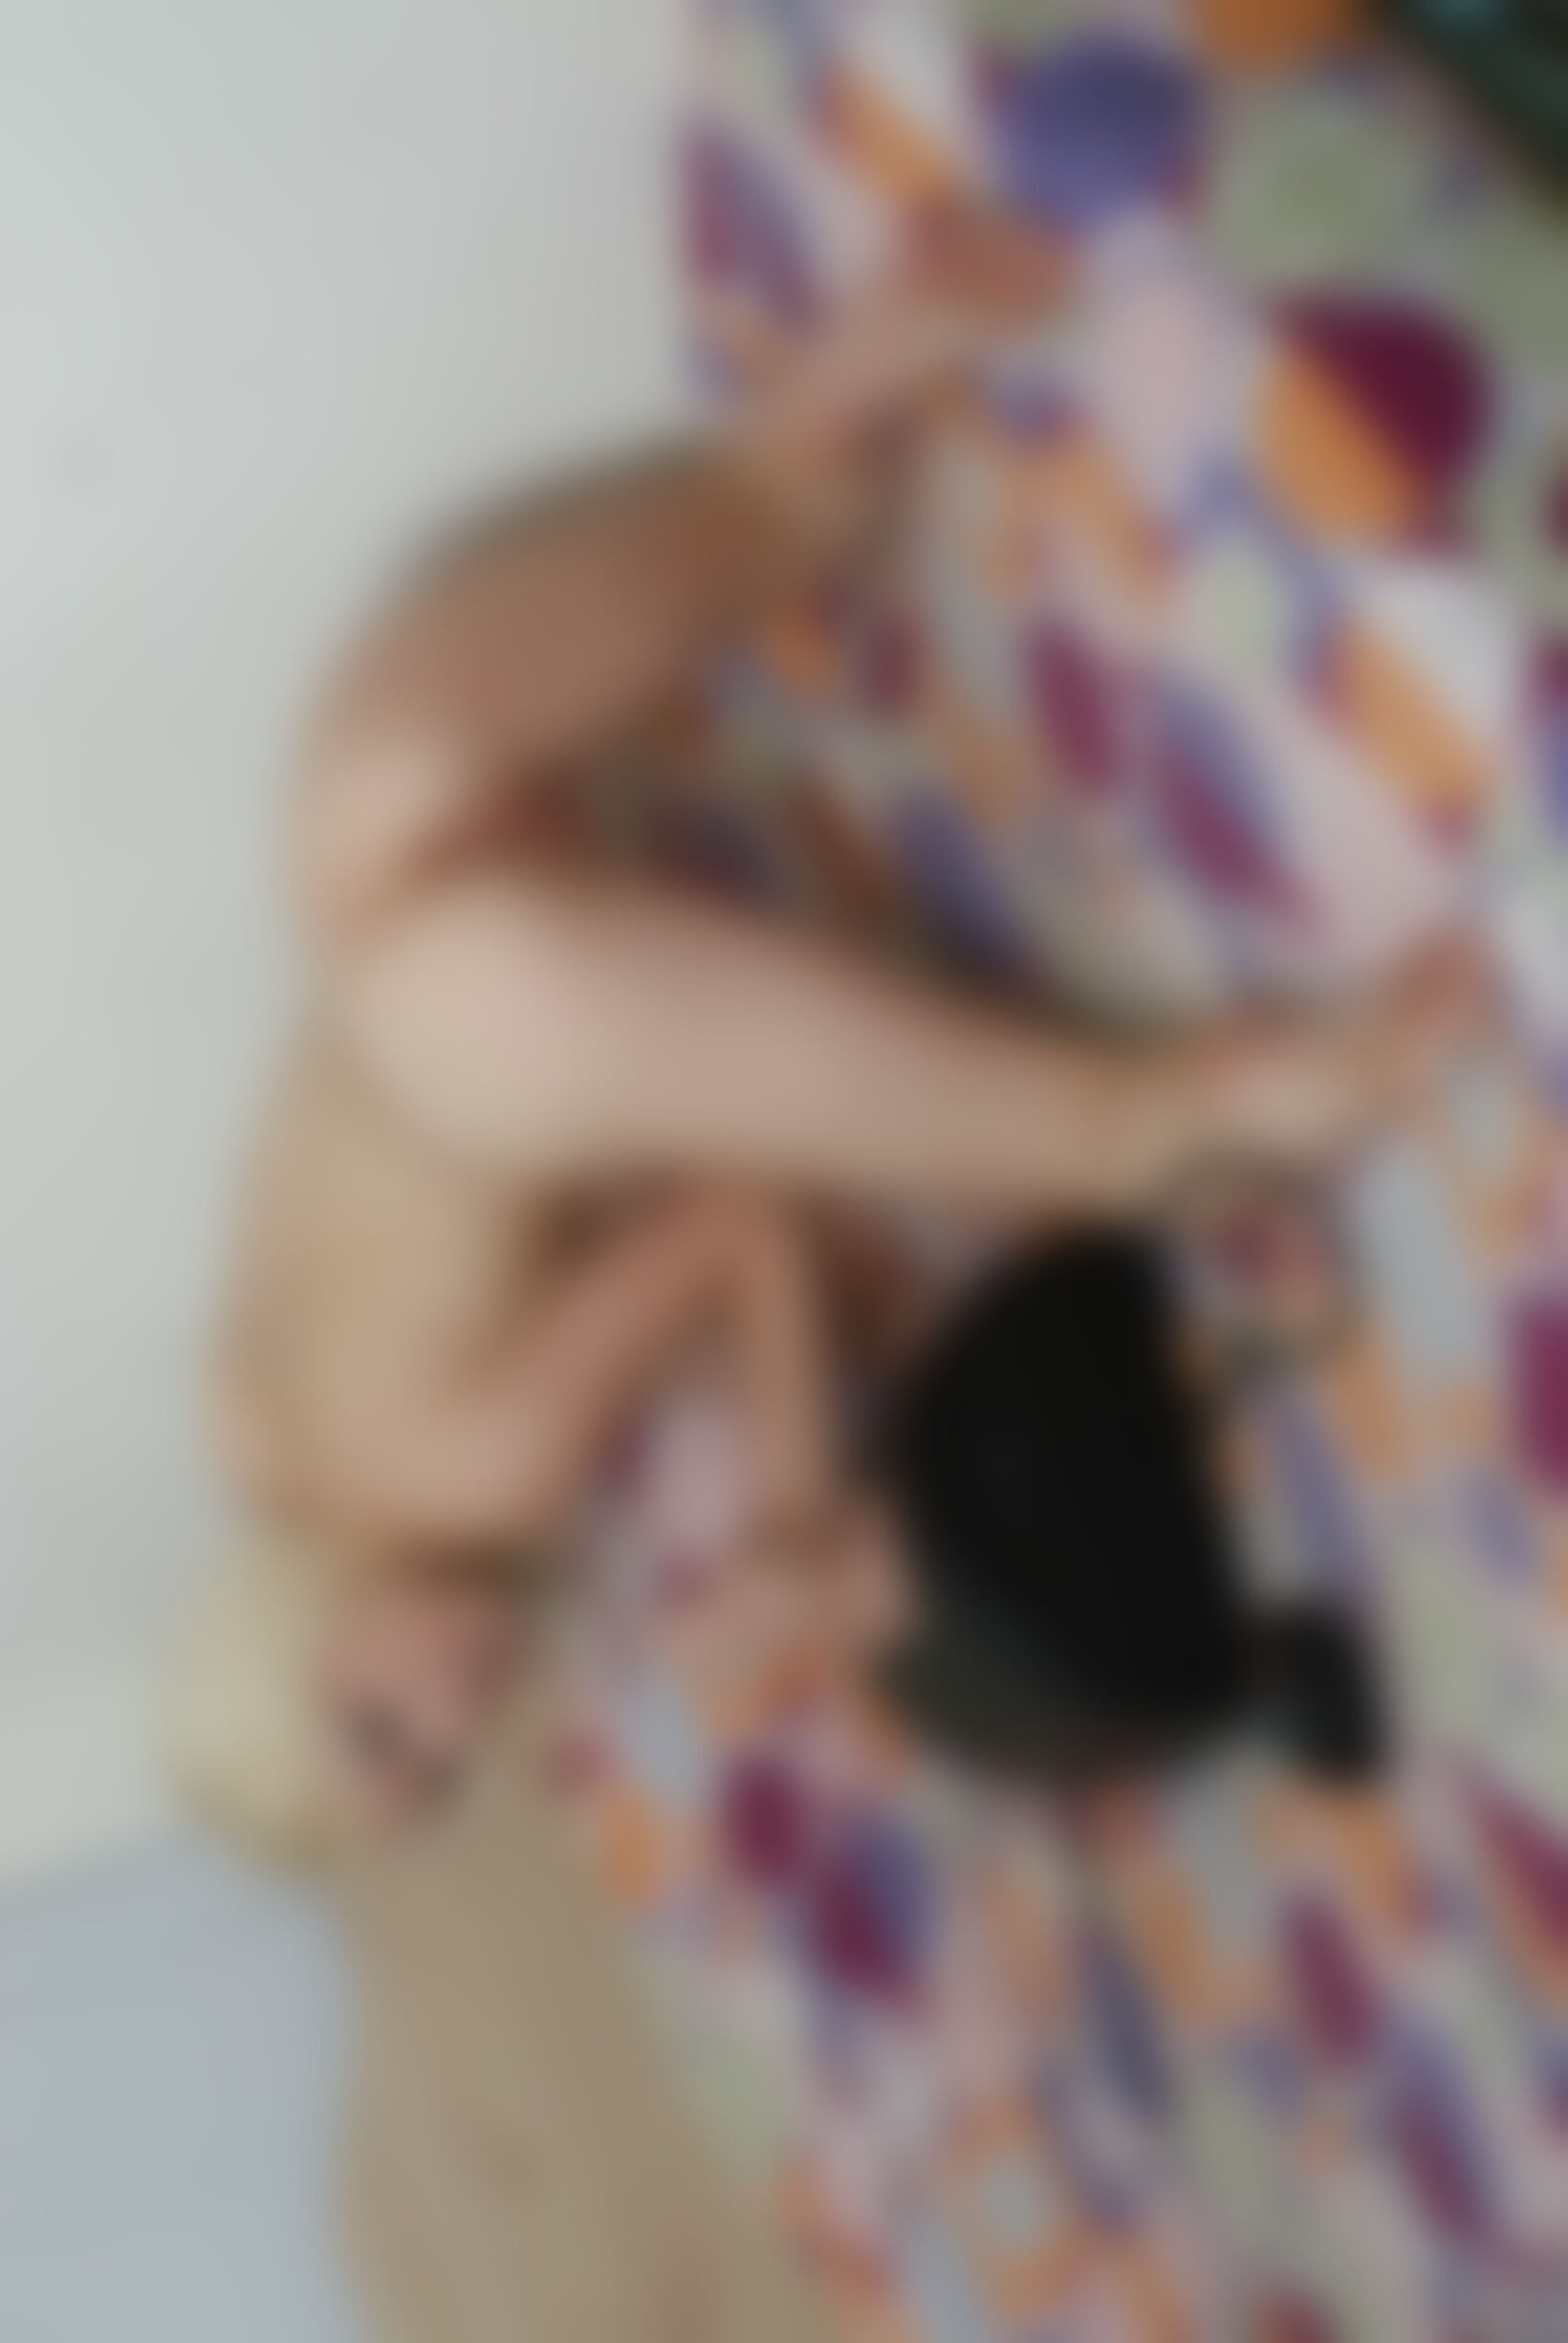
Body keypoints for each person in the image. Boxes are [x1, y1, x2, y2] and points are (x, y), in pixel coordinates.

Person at [174, 215, 1481, 1857]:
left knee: (1114, 1133)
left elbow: (738, 1216)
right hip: (358, 845)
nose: (455, 1712)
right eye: (438, 1768)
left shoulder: (476, 1476)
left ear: (288, 1647)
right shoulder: (242, 1427)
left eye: (376, 1722)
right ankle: (865, 362)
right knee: (775, 499)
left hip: (485, 1027)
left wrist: (794, 1515)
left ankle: (1331, 1045)